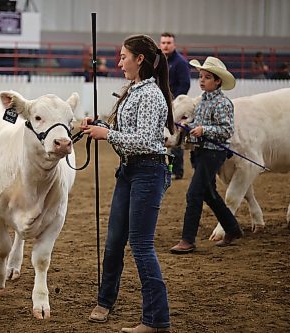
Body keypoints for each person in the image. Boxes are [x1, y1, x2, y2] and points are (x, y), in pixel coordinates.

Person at [83, 34, 173, 333]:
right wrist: (99, 126)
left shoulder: (149, 94)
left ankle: (156, 320)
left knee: (141, 245)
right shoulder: (133, 90)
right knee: (114, 243)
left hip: (147, 172)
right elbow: (130, 131)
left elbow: (147, 141)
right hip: (130, 171)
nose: (120, 62)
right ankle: (105, 301)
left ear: (140, 59)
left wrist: (106, 135)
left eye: (124, 57)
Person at [170, 56, 244, 255]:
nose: (202, 80)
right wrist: (190, 127)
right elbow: (201, 126)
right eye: (201, 76)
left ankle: (188, 239)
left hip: (214, 153)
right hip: (200, 152)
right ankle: (232, 229)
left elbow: (227, 130)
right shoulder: (202, 101)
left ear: (218, 81)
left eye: (207, 77)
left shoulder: (223, 103)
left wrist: (204, 130)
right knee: (209, 194)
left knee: (194, 193)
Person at [159, 32, 190, 180]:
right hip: (161, 105)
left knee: (174, 137)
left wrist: (173, 102)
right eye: (163, 42)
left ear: (174, 45)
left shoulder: (180, 63)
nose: (165, 45)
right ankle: (164, 167)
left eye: (168, 43)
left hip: (174, 107)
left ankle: (177, 170)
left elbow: (185, 84)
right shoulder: (158, 61)